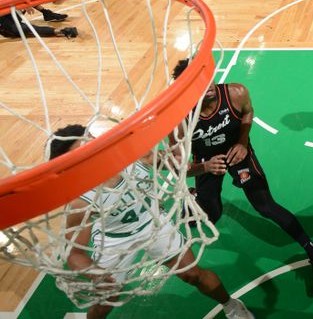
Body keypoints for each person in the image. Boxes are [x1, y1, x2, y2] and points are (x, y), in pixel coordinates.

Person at [48, 125, 254, 319]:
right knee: (106, 300)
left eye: (91, 142)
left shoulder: (133, 156)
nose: (94, 150)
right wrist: (96, 275)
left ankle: (231, 305)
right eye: (84, 153)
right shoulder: (79, 200)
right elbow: (75, 253)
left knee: (193, 274)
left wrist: (205, 167)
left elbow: (178, 168)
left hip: (153, 223)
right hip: (114, 240)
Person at [171, 60, 313, 295]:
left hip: (239, 153)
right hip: (206, 163)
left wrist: (243, 142)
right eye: (195, 83)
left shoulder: (236, 93)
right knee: (212, 213)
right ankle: (197, 199)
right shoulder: (181, 121)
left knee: (266, 206)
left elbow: (247, 113)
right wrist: (204, 167)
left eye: (205, 76)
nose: (205, 84)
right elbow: (177, 167)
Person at [0, 0, 76, 39]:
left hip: (7, 11)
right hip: (6, 26)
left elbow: (2, 0)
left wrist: (22, 2)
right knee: (25, 28)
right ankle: (61, 31)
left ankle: (46, 13)